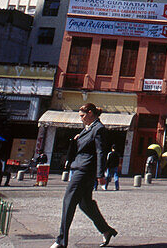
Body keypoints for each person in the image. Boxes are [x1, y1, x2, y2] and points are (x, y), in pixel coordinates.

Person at [50, 103, 117, 248]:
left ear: (90, 113)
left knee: (69, 201)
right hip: (82, 168)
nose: (80, 118)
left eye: (82, 115)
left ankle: (61, 240)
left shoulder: (98, 129)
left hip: (85, 170)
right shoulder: (88, 129)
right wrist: (77, 140)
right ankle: (106, 230)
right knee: (85, 204)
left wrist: (100, 174)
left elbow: (100, 152)